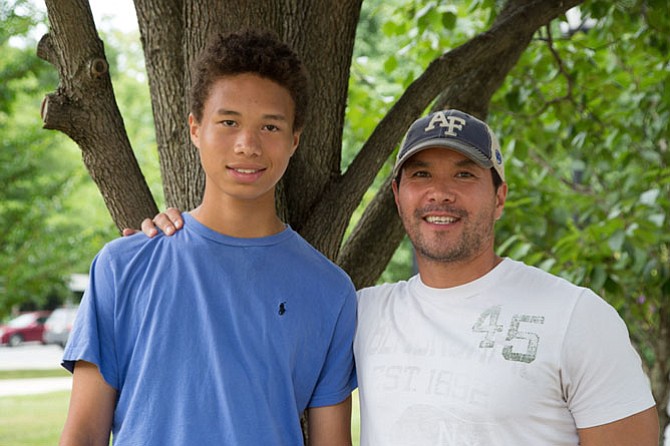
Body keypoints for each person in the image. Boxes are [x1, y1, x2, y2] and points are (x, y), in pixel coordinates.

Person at [140, 109, 659, 445]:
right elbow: (242, 314)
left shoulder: (575, 316)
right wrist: (173, 239)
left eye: (464, 174)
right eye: (421, 175)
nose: (440, 193)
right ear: (398, 196)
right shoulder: (361, 310)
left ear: (499, 197)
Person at [60, 30, 357, 446]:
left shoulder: (332, 291)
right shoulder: (122, 266)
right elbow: (83, 435)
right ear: (196, 128)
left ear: (294, 139)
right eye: (229, 121)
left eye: (270, 126)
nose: (247, 145)